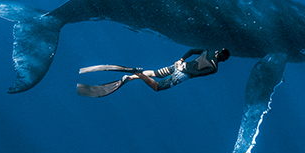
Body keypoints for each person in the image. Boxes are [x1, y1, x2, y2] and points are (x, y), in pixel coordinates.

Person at [77, 48, 231, 98]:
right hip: (183, 75)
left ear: (218, 52)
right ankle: (138, 73)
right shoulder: (214, 68)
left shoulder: (208, 51)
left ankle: (130, 77)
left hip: (179, 65)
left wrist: (181, 60)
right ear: (223, 60)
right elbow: (197, 74)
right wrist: (185, 74)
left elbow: (191, 50)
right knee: (157, 87)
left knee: (156, 73)